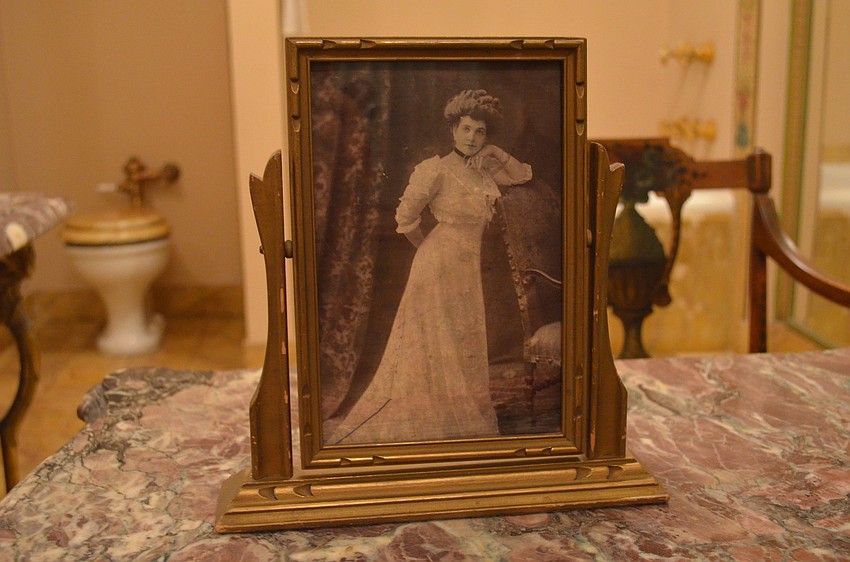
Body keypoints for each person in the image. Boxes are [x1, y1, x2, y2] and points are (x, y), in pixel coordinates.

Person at [326, 89, 533, 445]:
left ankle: (460, 413)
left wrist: (496, 152)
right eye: (466, 129)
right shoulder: (435, 170)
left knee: (463, 338)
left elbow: (523, 175)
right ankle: (437, 418)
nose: (472, 138)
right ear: (453, 130)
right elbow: (405, 219)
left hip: (468, 267)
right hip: (437, 263)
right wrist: (429, 253)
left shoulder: (485, 172)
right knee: (438, 341)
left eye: (480, 132)